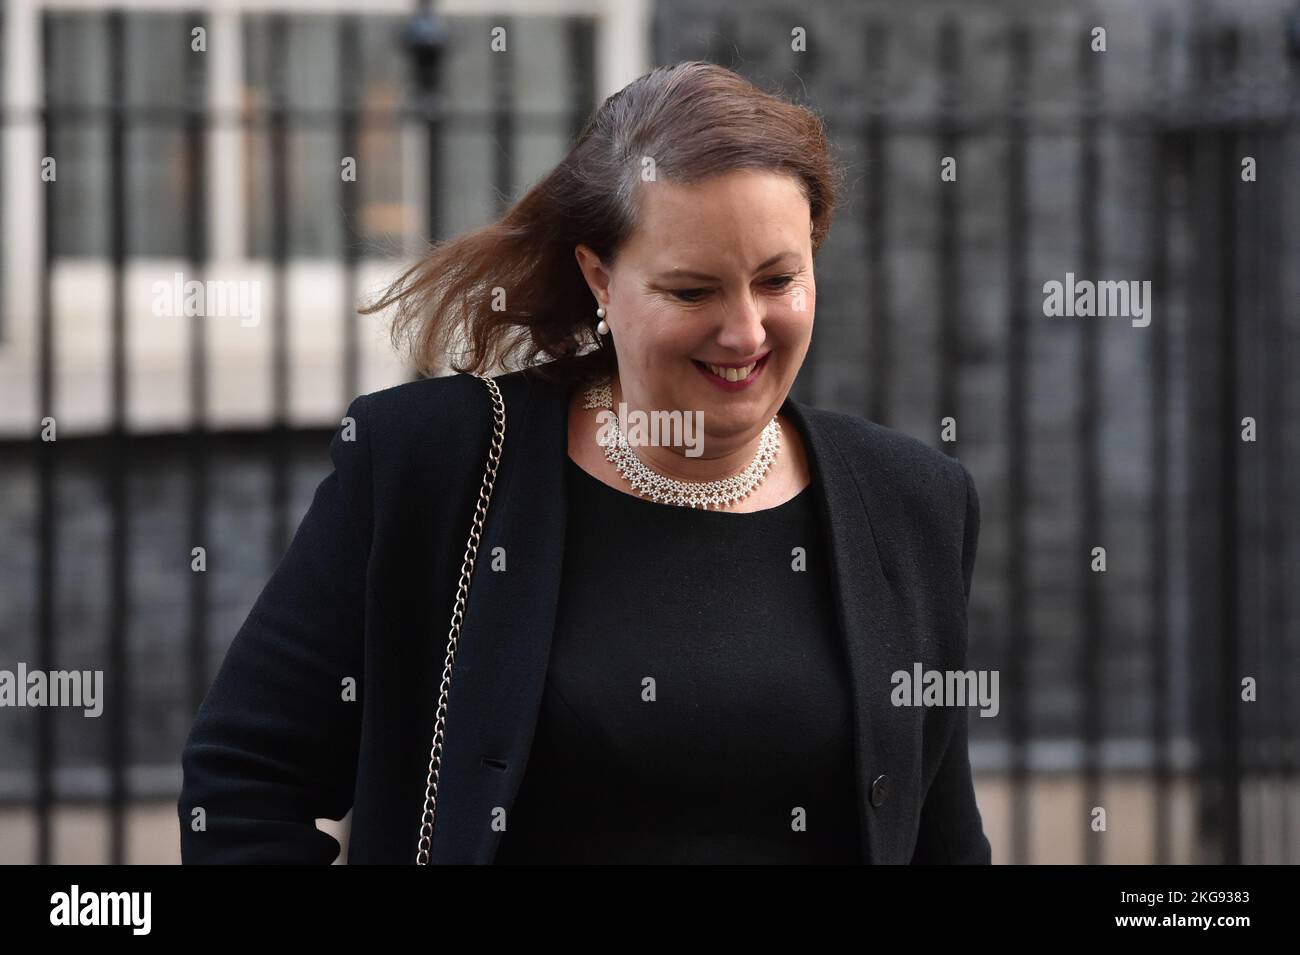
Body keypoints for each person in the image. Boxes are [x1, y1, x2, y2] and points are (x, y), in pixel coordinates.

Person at [178, 60, 991, 864]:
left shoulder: (911, 500)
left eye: (778, 279)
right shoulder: (431, 467)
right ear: (599, 276)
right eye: (692, 291)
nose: (745, 332)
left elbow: (940, 842)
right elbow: (244, 787)